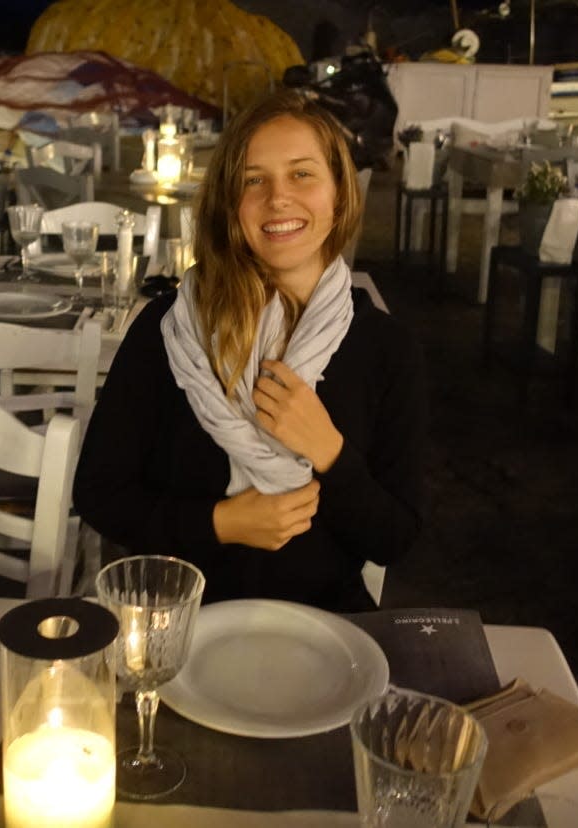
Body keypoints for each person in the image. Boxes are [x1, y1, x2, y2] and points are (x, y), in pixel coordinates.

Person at [74, 89, 427, 611]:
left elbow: (394, 539)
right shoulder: (167, 329)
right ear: (229, 203)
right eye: (253, 180)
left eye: (302, 174)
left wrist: (329, 452)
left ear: (339, 194)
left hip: (323, 630)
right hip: (181, 621)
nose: (278, 197)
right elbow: (100, 495)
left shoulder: (385, 348)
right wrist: (220, 523)